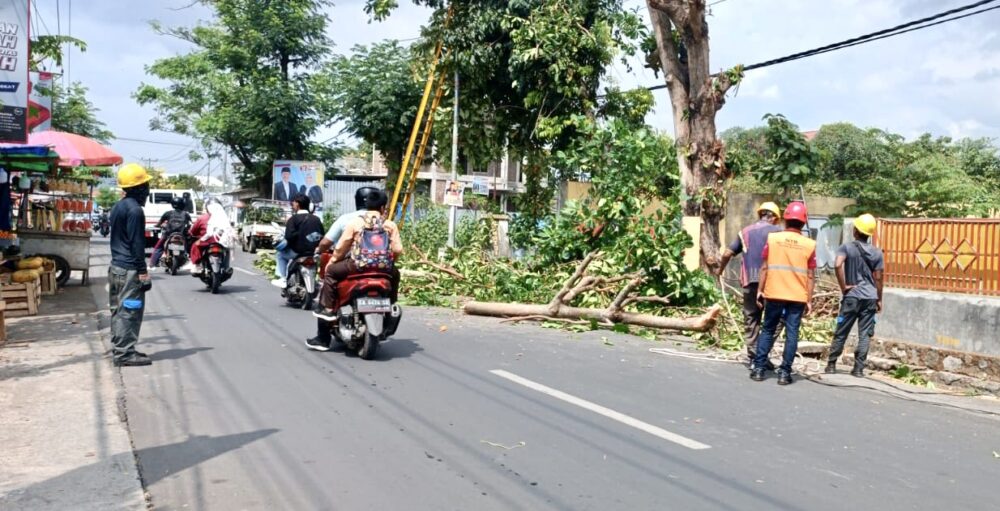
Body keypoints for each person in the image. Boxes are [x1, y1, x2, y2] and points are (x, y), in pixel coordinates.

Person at [306, 189, 402, 351]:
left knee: (330, 273)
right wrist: (388, 263)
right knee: (396, 274)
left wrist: (333, 262)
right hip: (383, 269)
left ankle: (328, 311)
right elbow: (398, 249)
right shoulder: (389, 225)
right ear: (383, 207)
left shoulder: (355, 222)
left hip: (357, 266)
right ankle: (391, 302)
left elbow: (341, 247)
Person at [751, 201, 816, 385]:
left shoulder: (773, 239)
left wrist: (760, 290)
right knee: (792, 333)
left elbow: (764, 267)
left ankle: (758, 369)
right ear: (803, 223)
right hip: (797, 297)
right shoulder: (809, 244)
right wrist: (809, 300)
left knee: (768, 330)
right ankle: (784, 374)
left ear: (786, 220)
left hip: (774, 293)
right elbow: (810, 276)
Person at [717, 202, 783, 369]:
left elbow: (727, 253)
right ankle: (761, 352)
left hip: (750, 282)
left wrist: (719, 271)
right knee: (776, 319)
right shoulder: (779, 233)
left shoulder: (744, 232)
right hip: (771, 283)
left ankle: (754, 354)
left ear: (760, 214)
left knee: (751, 318)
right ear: (774, 218)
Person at [826, 214, 884, 377]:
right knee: (864, 334)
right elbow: (878, 278)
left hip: (852, 296)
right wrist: (879, 299)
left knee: (842, 330)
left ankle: (831, 364)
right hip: (870, 298)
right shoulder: (877, 252)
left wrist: (844, 286)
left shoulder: (846, 248)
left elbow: (837, 265)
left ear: (856, 230)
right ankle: (858, 369)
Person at [108, 163, 154, 367]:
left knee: (119, 310)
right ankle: (124, 354)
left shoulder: (119, 206)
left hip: (116, 266)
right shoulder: (135, 211)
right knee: (130, 310)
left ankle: (121, 348)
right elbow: (137, 244)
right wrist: (143, 272)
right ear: (138, 188)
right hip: (129, 270)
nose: (148, 190)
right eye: (145, 185)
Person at [271, 194, 324, 288]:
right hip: (314, 253)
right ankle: (315, 281)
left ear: (298, 204)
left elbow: (289, 237)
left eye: (294, 202)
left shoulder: (293, 219)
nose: (293, 204)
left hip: (298, 253)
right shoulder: (316, 219)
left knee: (280, 255)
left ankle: (283, 278)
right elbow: (321, 235)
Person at [149, 197, 192, 268]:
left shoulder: (168, 213)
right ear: (182, 204)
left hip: (168, 234)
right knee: (189, 246)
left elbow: (159, 223)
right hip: (181, 235)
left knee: (158, 248)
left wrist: (158, 226)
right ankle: (192, 261)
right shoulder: (186, 214)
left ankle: (152, 263)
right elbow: (190, 224)